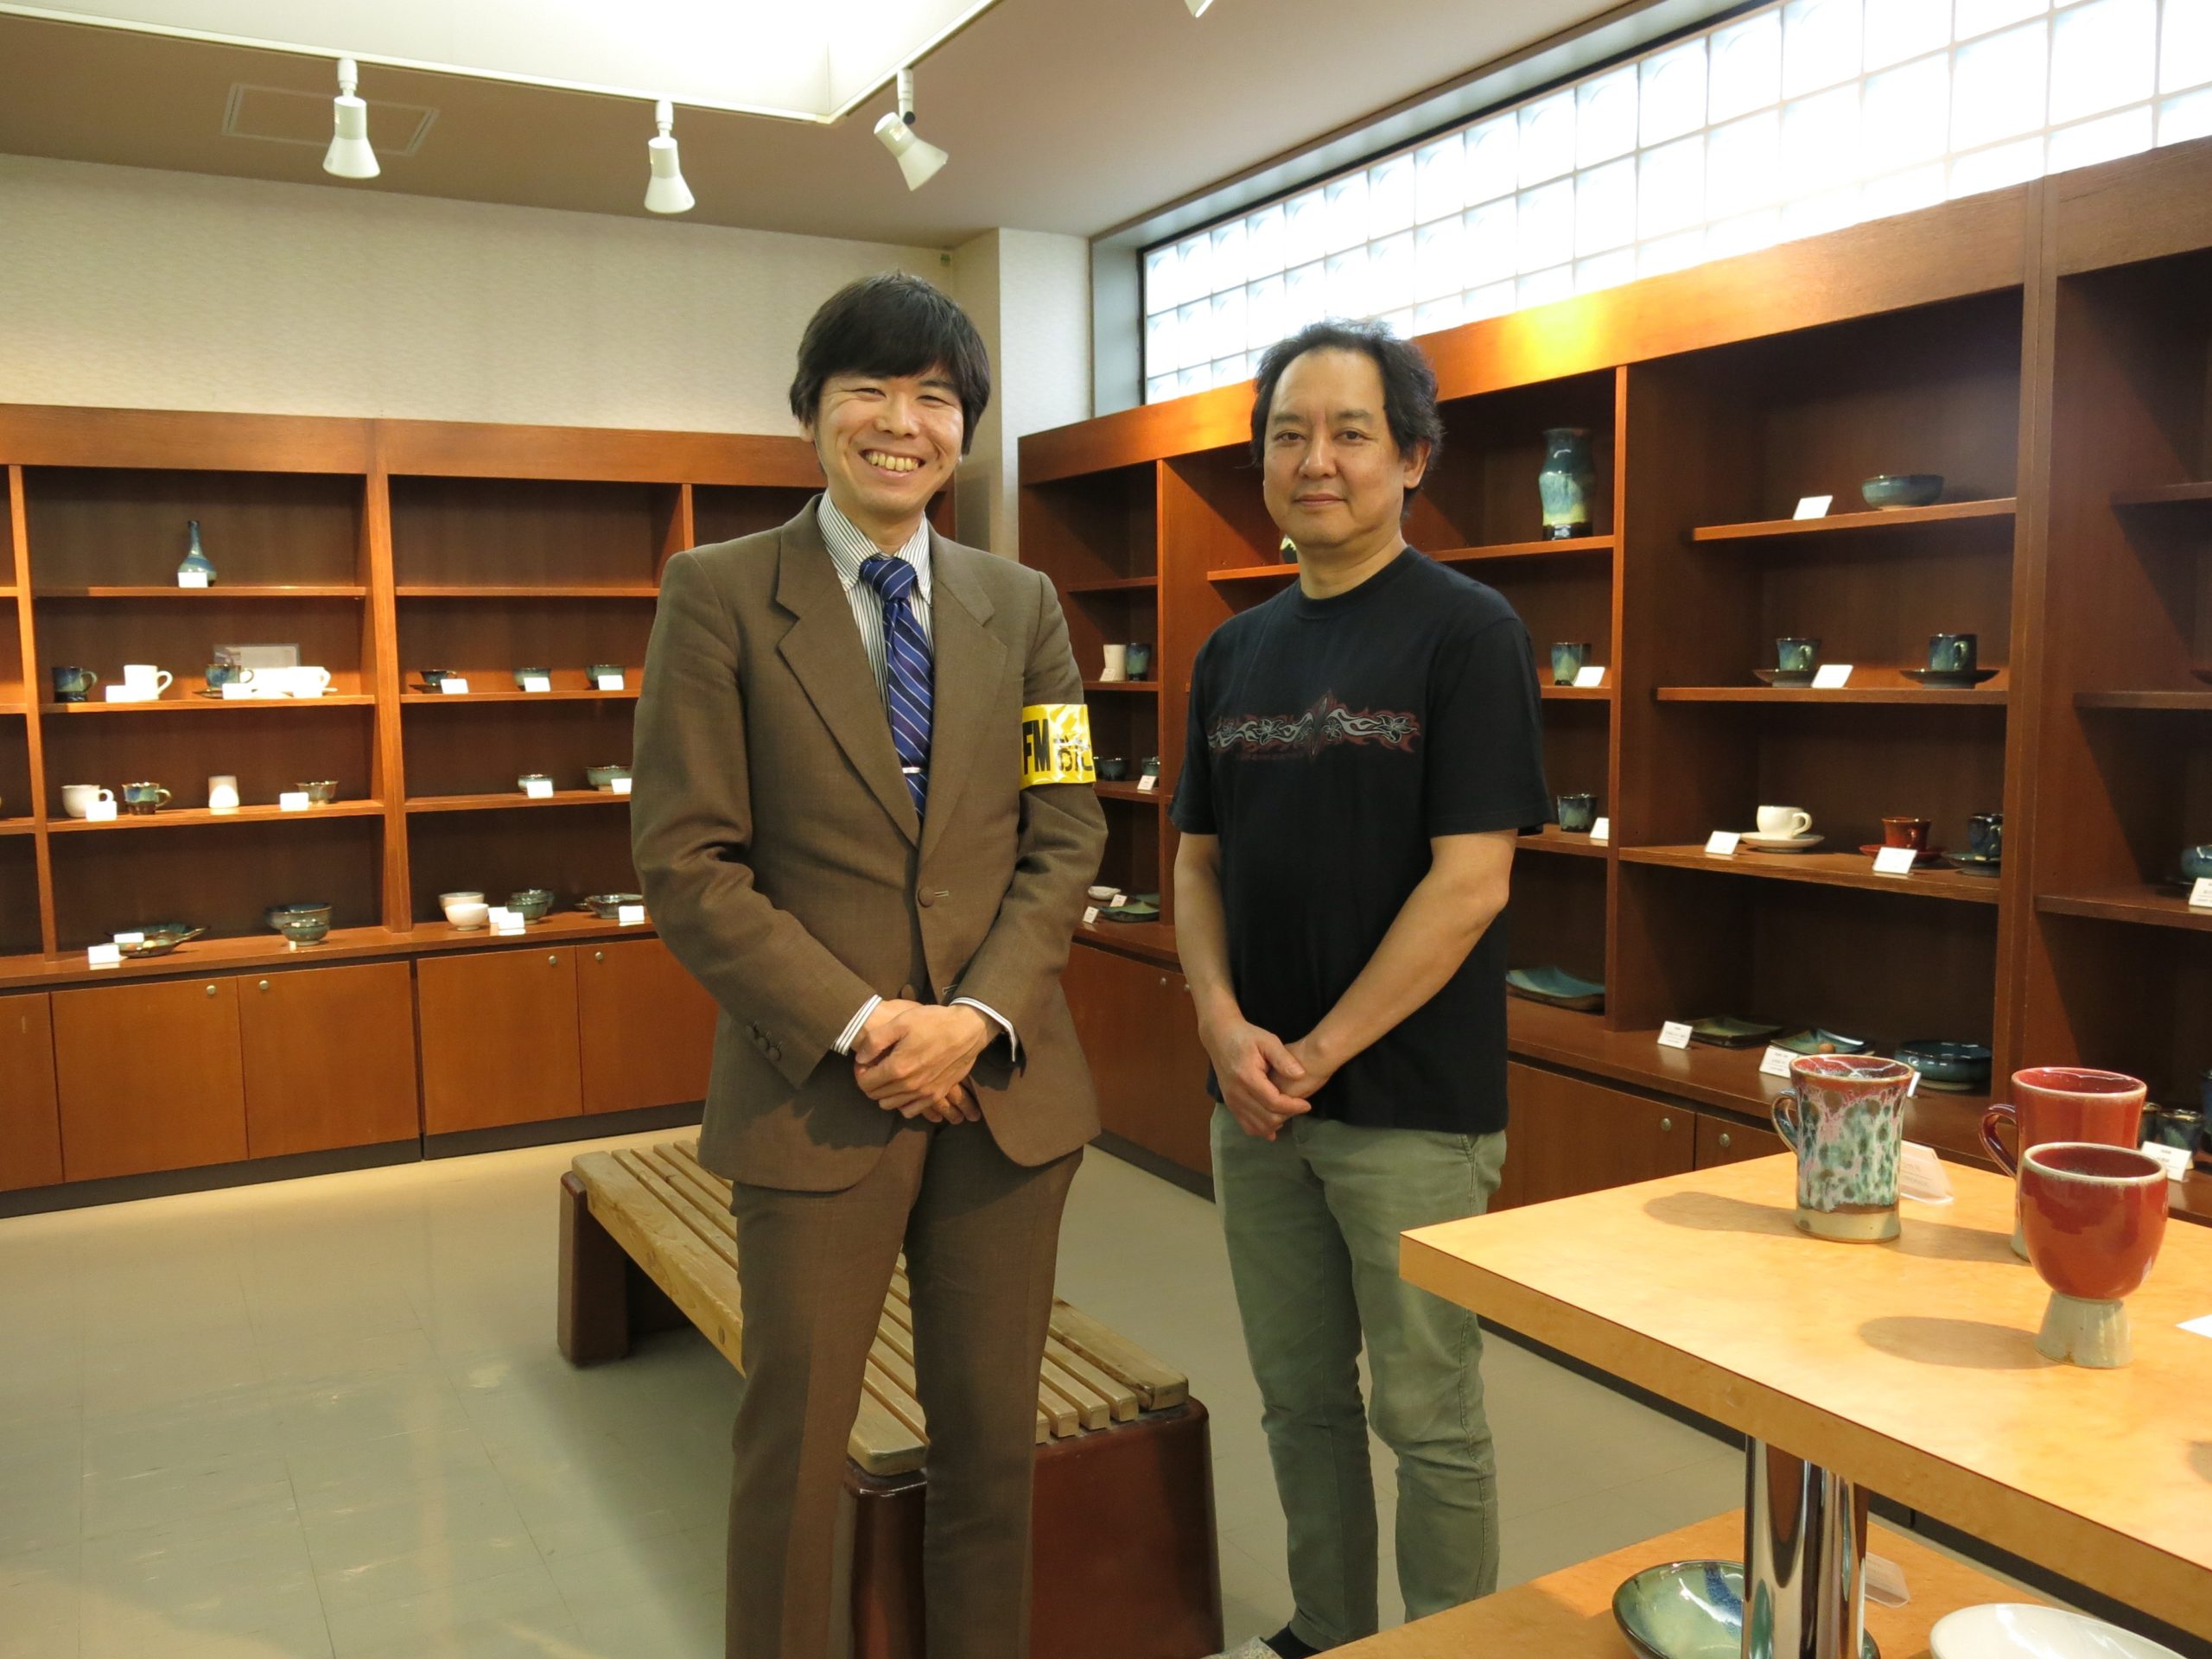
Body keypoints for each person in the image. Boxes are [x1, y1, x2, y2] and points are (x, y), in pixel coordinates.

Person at [631, 270, 1106, 1659]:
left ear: (964, 430)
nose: (902, 422)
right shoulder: (715, 594)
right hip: (814, 1093)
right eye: (870, 391)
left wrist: (975, 1015)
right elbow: (688, 860)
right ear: (811, 413)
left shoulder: (1024, 605)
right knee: (794, 1445)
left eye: (935, 398)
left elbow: (1068, 829)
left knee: (993, 1443)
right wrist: (865, 1025)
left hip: (1006, 1092)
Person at [1170, 319, 1550, 1657]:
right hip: (1256, 1105)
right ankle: (1329, 1629)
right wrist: (1222, 1025)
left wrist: (1315, 1052)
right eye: (1289, 434)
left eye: (1349, 433)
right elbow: (1196, 863)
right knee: (1298, 1400)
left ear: (1412, 457)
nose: (1315, 460)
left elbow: (1471, 884)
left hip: (1411, 1108)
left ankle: (1445, 1644)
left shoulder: (1468, 632)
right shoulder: (1233, 653)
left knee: (1428, 1415)